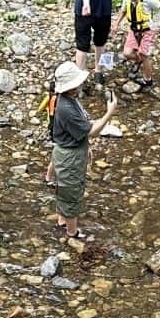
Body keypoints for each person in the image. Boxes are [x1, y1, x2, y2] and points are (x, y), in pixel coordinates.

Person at [50, 61, 118, 242]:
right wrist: (109, 113)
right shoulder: (66, 108)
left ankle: (62, 220)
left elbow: (80, 131)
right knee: (72, 193)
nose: (81, 84)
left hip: (70, 150)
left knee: (64, 189)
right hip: (69, 156)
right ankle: (73, 233)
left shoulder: (67, 99)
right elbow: (92, 131)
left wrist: (85, 148)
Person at [114, 0, 160, 89]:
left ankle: (148, 80)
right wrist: (116, 24)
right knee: (127, 53)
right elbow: (123, 11)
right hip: (133, 29)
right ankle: (138, 61)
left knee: (144, 55)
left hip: (148, 30)